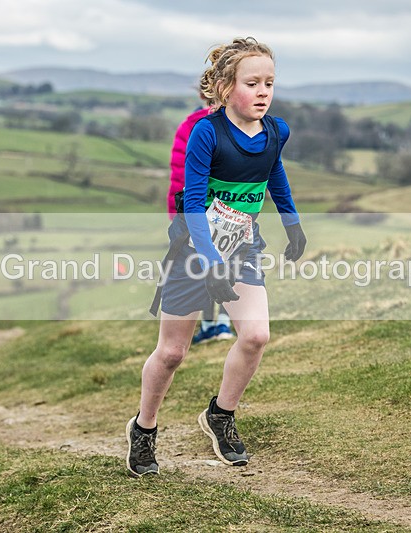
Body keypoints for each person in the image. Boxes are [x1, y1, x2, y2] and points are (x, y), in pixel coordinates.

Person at [127, 37, 306, 477]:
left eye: (269, 82)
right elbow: (191, 203)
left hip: (243, 247)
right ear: (226, 87)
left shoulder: (275, 132)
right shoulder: (207, 132)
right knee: (172, 352)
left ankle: (220, 415)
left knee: (255, 336)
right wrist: (208, 263)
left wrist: (292, 223)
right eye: (252, 83)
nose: (263, 91)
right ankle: (144, 428)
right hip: (193, 250)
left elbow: (274, 172)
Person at [168, 95, 235, 345]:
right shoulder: (237, 124)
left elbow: (178, 176)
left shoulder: (189, 125)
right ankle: (222, 325)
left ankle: (209, 326)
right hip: (229, 210)